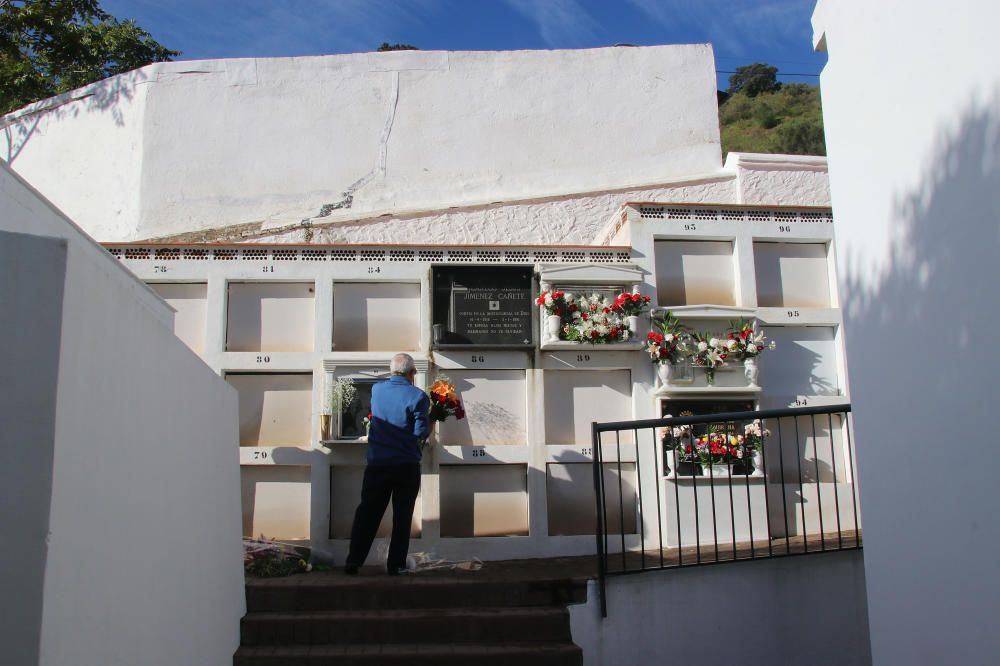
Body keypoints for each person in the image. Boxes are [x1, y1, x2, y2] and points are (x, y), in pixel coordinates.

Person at [344, 353, 429, 575]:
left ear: (392, 371)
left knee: (368, 513)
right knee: (402, 516)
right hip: (406, 465)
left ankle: (353, 561)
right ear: (412, 373)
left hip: (378, 463)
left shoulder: (377, 390)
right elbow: (421, 432)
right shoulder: (419, 396)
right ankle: (396, 564)